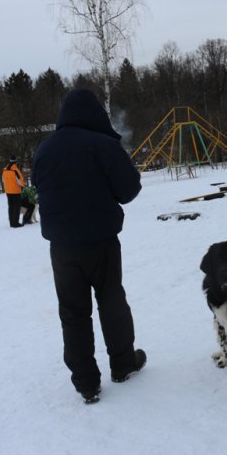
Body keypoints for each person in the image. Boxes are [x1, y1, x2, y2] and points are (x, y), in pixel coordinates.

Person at [32, 89, 146, 404]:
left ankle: (86, 383)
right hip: (101, 243)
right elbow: (129, 190)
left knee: (73, 313)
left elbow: (40, 189)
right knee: (111, 301)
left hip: (62, 249)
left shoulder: (43, 150)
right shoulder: (103, 145)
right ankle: (123, 364)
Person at [2, 156, 26, 228]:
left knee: (11, 207)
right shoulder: (15, 170)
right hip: (15, 191)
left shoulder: (4, 170)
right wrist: (24, 185)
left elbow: (3, 180)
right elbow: (20, 181)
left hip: (8, 191)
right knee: (16, 207)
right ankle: (15, 223)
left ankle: (11, 223)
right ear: (16, 162)